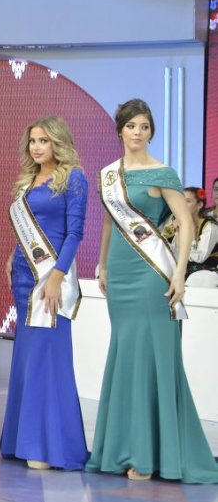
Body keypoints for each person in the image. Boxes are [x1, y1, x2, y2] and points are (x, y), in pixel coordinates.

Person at [86, 99, 218, 483]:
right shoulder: (108, 175)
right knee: (125, 355)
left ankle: (147, 454)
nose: (138, 132)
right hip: (120, 273)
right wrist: (103, 264)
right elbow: (109, 224)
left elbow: (186, 223)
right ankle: (122, 447)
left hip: (152, 273)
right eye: (132, 126)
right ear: (120, 130)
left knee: (151, 357)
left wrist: (180, 274)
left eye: (144, 126)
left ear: (151, 132)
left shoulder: (163, 172)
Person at [0, 116, 89, 470]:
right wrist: (12, 257)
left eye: (44, 141)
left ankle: (50, 447)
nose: (36, 147)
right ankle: (21, 441)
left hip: (51, 278)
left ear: (58, 143)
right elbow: (27, 231)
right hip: (23, 276)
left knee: (48, 358)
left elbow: (74, 233)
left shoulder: (74, 178)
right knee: (27, 357)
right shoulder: (27, 181)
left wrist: (56, 276)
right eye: (33, 141)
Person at [177, 187, 218, 286]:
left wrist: (190, 236)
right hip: (185, 270)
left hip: (206, 273)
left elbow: (199, 257)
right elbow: (174, 251)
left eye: (187, 201)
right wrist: (178, 231)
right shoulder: (179, 223)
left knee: (195, 279)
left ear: (199, 205)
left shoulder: (210, 227)